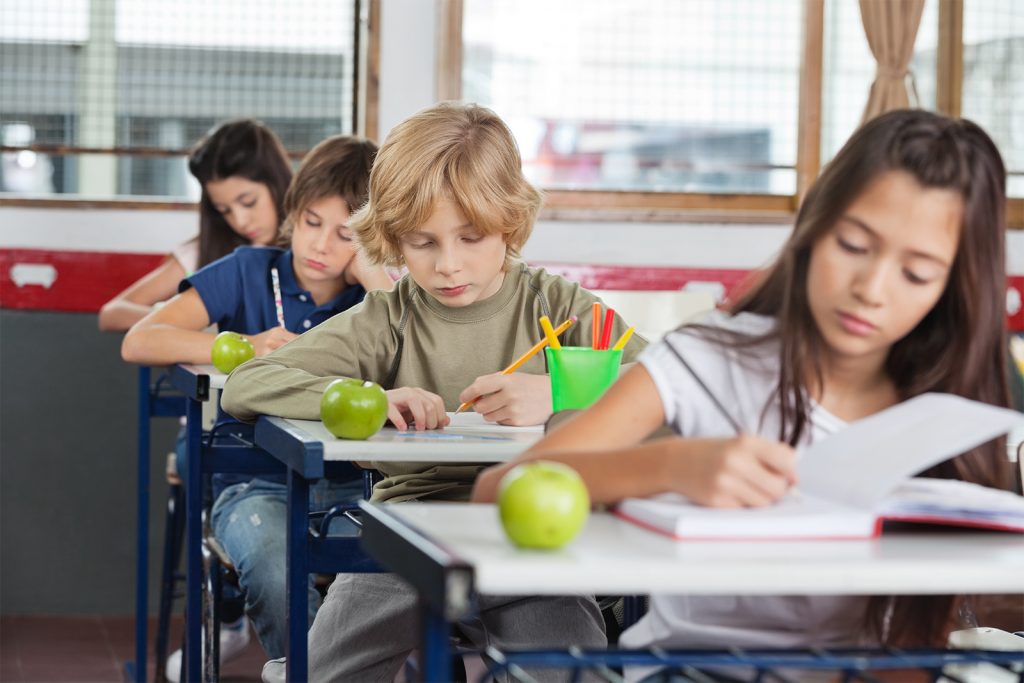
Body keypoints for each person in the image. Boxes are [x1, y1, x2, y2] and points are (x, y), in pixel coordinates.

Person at [474, 109, 1021, 678]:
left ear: (953, 287)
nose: (872, 291)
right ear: (813, 227)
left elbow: (913, 642)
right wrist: (674, 465)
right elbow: (498, 491)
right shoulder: (709, 359)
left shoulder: (947, 412)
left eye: (917, 275)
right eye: (854, 245)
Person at [220, 102, 647, 682]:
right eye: (423, 243)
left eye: (471, 237)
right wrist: (369, 396)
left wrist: (555, 394)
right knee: (319, 675)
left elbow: (676, 384)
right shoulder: (390, 317)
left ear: (509, 220)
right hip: (407, 533)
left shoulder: (559, 306)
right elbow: (247, 383)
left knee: (572, 674)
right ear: (393, 238)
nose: (449, 266)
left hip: (533, 531)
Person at [122, 134, 392, 677]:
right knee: (276, 569)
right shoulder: (247, 269)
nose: (319, 245)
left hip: (358, 486)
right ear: (293, 212)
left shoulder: (377, 297)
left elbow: (419, 355)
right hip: (256, 485)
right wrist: (245, 348)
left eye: (345, 235)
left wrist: (373, 276)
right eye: (311, 222)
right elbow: (139, 340)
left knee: (389, 578)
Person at [99, 119, 294, 332]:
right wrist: (189, 316)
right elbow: (113, 314)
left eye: (249, 202)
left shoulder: (311, 248)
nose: (240, 221)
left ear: (276, 183)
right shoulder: (204, 252)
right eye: (224, 210)